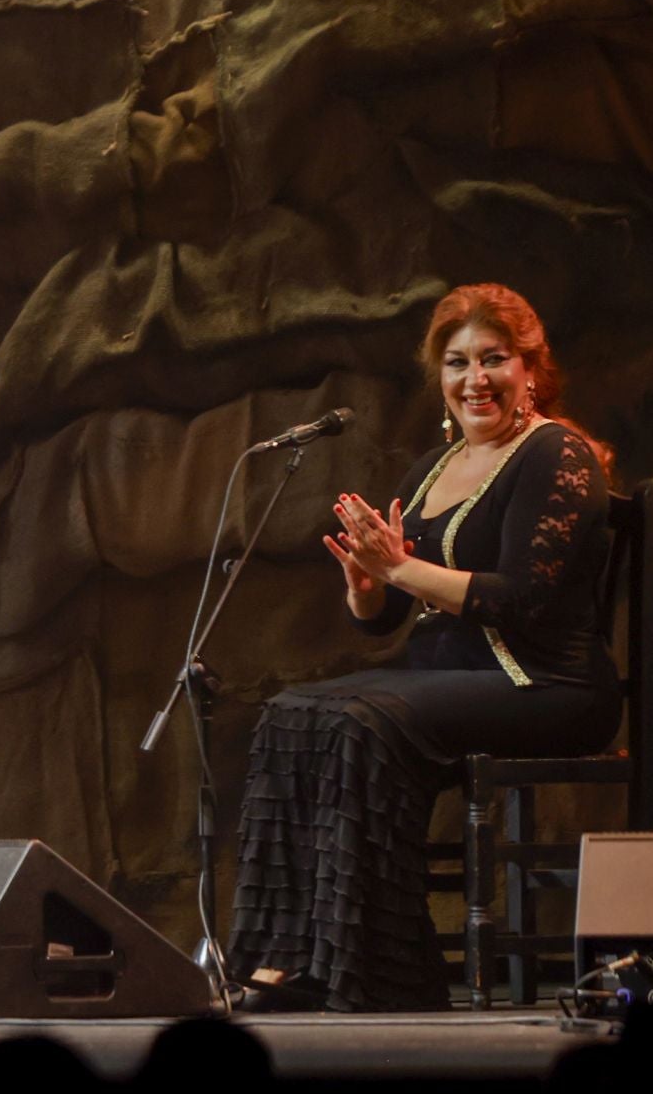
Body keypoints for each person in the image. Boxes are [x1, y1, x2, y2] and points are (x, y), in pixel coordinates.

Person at [227, 284, 621, 1012]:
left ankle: (378, 974)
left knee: (360, 719)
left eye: (494, 359)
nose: (476, 379)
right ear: (440, 379)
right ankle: (294, 959)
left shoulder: (556, 456)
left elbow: (522, 600)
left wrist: (400, 567)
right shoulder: (432, 471)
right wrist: (367, 587)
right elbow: (386, 620)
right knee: (288, 711)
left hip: (546, 684)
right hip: (442, 682)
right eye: (458, 362)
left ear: (530, 370)